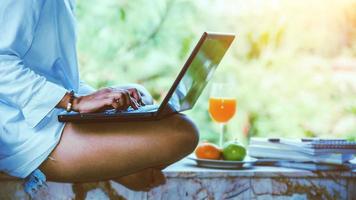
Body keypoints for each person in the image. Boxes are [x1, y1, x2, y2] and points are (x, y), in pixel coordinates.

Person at [0, 0, 199, 194]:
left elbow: (57, 73)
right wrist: (74, 101)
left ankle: (112, 164)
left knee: (140, 97)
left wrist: (103, 98)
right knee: (183, 133)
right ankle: (118, 169)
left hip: (49, 110)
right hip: (24, 129)